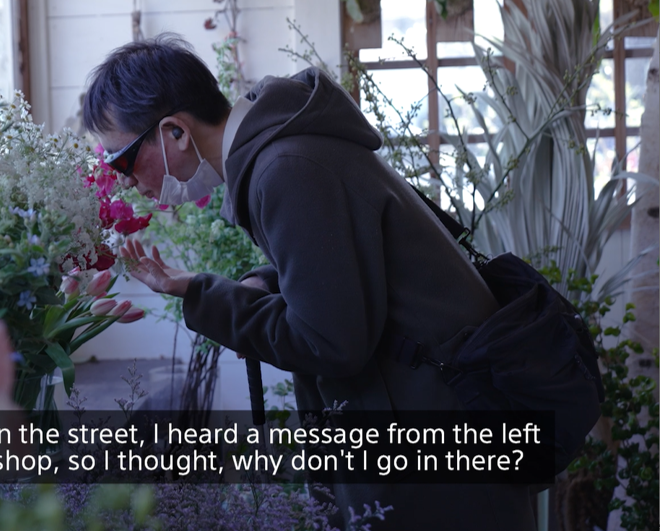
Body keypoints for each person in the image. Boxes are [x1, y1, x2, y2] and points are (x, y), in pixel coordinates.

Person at [81, 33, 536, 531]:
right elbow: (346, 267)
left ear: (175, 132)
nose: (124, 180)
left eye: (121, 159)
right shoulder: (285, 153)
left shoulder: (286, 168)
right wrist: (258, 284)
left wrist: (205, 295)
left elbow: (329, 342)